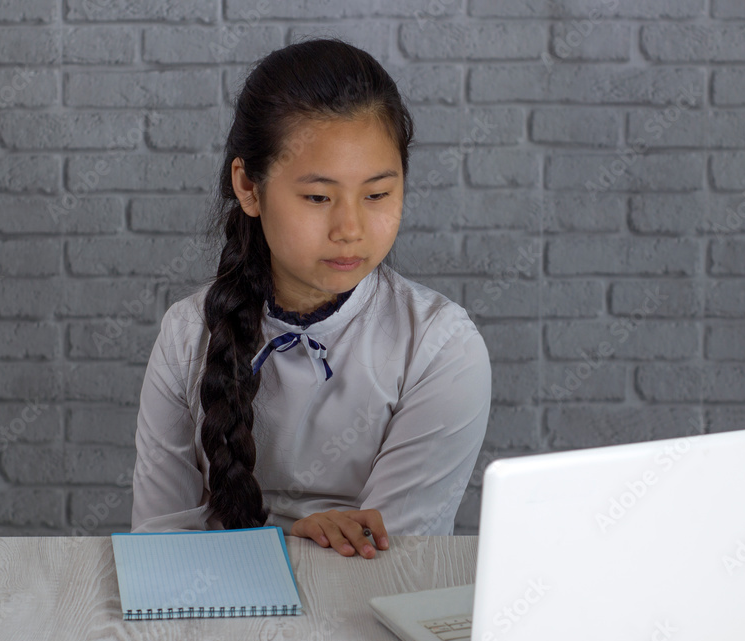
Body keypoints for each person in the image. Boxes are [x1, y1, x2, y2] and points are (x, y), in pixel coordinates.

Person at [130, 37, 492, 559]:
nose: (350, 229)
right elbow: (158, 553)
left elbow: (394, 559)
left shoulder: (440, 348)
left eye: (377, 195)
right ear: (249, 188)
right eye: (318, 197)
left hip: (367, 625)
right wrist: (291, 542)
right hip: (209, 628)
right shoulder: (188, 334)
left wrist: (276, 547)